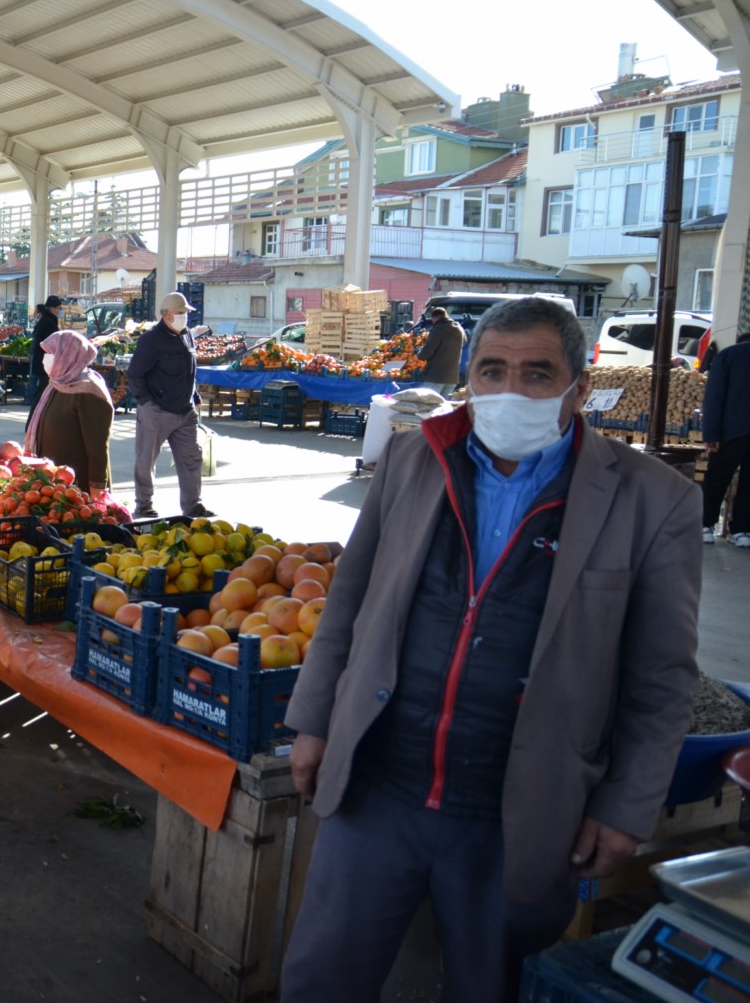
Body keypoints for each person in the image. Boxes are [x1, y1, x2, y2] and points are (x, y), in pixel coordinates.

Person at [280, 297, 702, 1003]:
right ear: (468, 377)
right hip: (381, 783)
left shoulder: (652, 502)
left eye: (538, 374)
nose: (511, 392)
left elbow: (662, 677)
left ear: (581, 386)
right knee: (323, 977)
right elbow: (350, 601)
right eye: (492, 371)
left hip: (524, 810)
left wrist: (628, 806)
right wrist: (314, 719)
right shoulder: (414, 459)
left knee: (489, 986)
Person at [125, 292, 211, 520]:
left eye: (186, 313)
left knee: (192, 459)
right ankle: (144, 505)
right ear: (166, 315)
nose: (185, 317)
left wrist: (195, 396)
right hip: (157, 411)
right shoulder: (150, 340)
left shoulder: (187, 336)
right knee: (146, 460)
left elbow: (190, 371)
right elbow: (134, 375)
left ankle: (193, 506)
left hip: (185, 410)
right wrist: (148, 403)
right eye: (180, 313)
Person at [25, 330, 112, 492]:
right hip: (53, 486)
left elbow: (98, 450)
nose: (46, 358)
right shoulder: (57, 384)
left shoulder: (89, 391)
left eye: (51, 353)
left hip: (79, 490)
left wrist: (97, 488)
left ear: (68, 355)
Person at [702, 331, 750, 546]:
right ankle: (741, 531)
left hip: (730, 431)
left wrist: (711, 433)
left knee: (717, 478)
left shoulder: (727, 356)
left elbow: (714, 397)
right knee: (749, 483)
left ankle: (705, 526)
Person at [418, 304, 466, 397]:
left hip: (436, 376)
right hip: (453, 377)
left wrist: (419, 355)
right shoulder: (459, 329)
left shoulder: (437, 330)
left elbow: (425, 354)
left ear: (435, 318)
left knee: (429, 405)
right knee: (444, 407)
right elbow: (464, 342)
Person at [29, 295, 63, 402]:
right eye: (59, 308)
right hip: (44, 362)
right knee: (42, 391)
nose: (60, 311)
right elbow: (52, 344)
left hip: (43, 361)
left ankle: (37, 413)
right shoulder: (48, 322)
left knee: (43, 390)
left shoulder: (47, 320)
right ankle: (35, 415)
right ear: (52, 308)